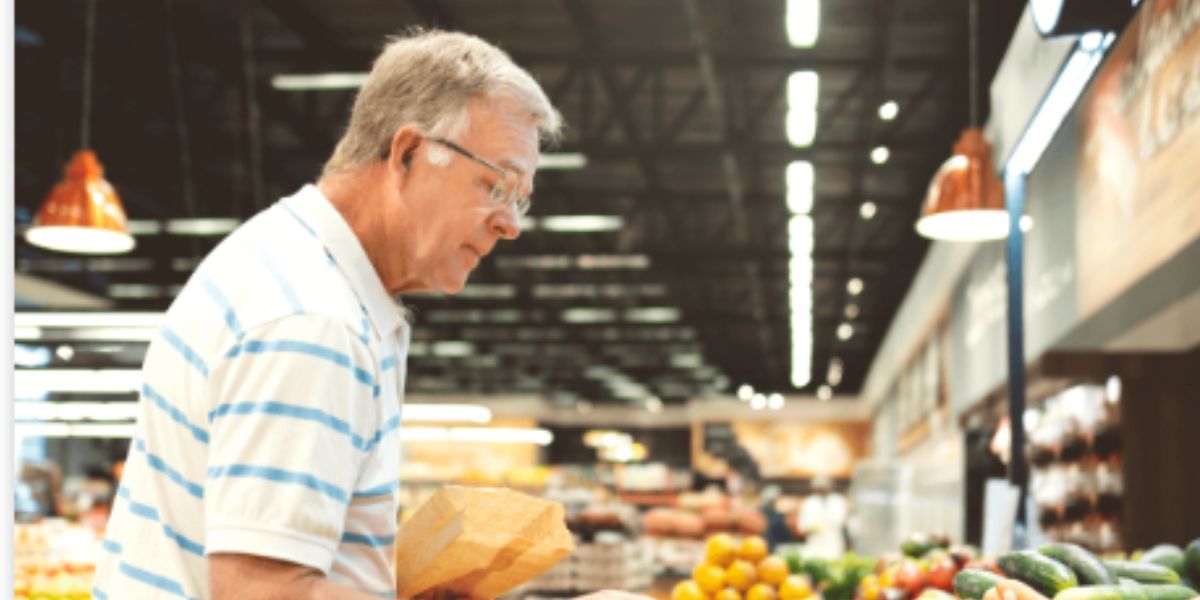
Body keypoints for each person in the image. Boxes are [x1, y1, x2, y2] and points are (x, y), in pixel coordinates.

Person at [93, 29, 620, 600]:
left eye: (521, 198)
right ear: (409, 154)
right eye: (498, 184)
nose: (510, 223)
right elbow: (263, 591)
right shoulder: (314, 321)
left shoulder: (296, 266)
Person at [795, 475, 849, 559]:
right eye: (819, 488)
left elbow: (841, 521)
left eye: (824, 488)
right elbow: (802, 525)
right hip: (815, 545)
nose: (822, 491)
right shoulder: (809, 502)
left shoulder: (837, 501)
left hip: (834, 545)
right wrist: (810, 528)